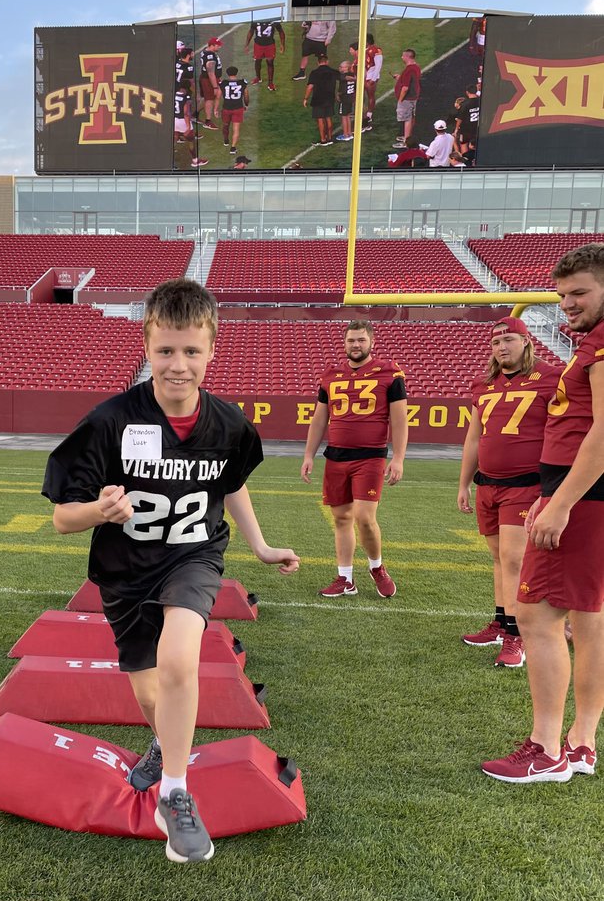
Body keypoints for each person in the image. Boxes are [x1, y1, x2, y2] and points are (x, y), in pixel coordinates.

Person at [43, 279, 300, 861]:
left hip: (193, 555)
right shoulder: (110, 421)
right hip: (125, 568)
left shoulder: (230, 424)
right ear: (146, 347)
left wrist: (258, 547)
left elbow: (230, 487)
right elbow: (63, 518)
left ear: (212, 351)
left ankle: (176, 794)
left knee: (181, 656)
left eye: (191, 351)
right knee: (149, 688)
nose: (178, 365)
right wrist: (96, 511)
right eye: (165, 351)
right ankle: (164, 744)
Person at [482, 243, 604, 783]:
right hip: (579, 495)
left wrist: (562, 501)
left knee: (536, 616)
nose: (567, 304)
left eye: (579, 293)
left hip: (583, 502)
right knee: (590, 620)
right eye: (562, 295)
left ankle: (545, 747)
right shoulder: (591, 344)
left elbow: (603, 433)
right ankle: (579, 742)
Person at [457, 317, 562, 668]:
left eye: (510, 340)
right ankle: (502, 623)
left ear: (527, 341)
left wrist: (551, 487)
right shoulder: (484, 384)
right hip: (488, 482)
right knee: (500, 558)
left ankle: (518, 635)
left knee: (516, 559)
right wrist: (463, 483)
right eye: (496, 342)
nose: (502, 347)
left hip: (526, 483)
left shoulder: (549, 378)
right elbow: (474, 437)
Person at [300, 320, 407, 598]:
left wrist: (398, 458)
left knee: (364, 518)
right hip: (336, 455)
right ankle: (345, 578)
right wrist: (309, 454)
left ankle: (377, 567)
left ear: (371, 342)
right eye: (351, 341)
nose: (355, 345)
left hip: (370, 456)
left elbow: (399, 420)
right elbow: (319, 418)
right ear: (344, 343)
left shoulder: (389, 374)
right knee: (341, 519)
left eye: (360, 340)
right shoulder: (331, 375)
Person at [302, 53, 340, 147]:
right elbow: (342, 80)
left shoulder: (314, 73)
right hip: (330, 97)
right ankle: (330, 138)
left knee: (320, 119)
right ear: (327, 62)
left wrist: (305, 98)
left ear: (318, 62)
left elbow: (310, 87)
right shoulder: (333, 71)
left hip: (318, 98)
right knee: (328, 117)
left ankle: (323, 140)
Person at [244, 18, 285, 90]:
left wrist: (282, 44)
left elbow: (281, 31)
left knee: (270, 63)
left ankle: (270, 83)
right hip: (258, 45)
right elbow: (251, 31)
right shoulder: (256, 20)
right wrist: (247, 44)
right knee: (257, 61)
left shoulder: (274, 21)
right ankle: (258, 78)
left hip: (270, 45)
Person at [173, 84, 207, 169]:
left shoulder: (171, 94)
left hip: (173, 120)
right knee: (191, 140)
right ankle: (195, 161)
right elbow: (186, 114)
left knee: (175, 137)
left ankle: (167, 159)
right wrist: (188, 126)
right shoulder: (185, 98)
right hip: (182, 121)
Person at [393, 49, 421, 147]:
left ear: (407, 57)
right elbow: (412, 80)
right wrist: (400, 78)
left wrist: (400, 100)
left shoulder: (408, 70)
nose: (402, 57)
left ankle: (406, 141)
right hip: (414, 96)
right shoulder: (416, 67)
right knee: (411, 116)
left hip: (407, 98)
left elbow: (405, 88)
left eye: (403, 56)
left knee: (407, 119)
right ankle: (407, 136)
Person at [218, 66, 249, 155]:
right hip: (238, 107)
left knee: (225, 125)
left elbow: (218, 96)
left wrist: (216, 108)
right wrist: (246, 105)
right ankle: (233, 147)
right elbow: (246, 95)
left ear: (227, 73)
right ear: (236, 72)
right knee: (236, 129)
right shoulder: (242, 82)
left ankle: (226, 139)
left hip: (226, 108)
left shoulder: (223, 83)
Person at [198, 38, 222, 129]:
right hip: (209, 79)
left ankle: (194, 114)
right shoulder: (210, 56)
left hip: (207, 78)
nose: (219, 46)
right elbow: (211, 73)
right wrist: (215, 87)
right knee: (209, 99)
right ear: (211, 45)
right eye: (217, 45)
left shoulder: (206, 51)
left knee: (206, 98)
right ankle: (208, 121)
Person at [335, 60, 355, 141]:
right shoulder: (352, 74)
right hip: (350, 98)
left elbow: (345, 79)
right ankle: (349, 133)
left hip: (344, 99)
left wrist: (338, 94)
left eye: (341, 66)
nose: (339, 68)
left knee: (344, 116)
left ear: (347, 68)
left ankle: (345, 134)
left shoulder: (343, 75)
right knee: (348, 116)